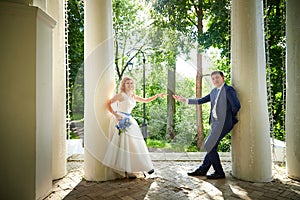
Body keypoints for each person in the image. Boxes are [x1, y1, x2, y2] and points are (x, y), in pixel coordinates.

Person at [173, 71, 241, 179]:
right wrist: (184, 100)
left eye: (217, 77)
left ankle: (219, 172)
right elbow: (200, 101)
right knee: (211, 146)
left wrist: (229, 118)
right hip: (215, 123)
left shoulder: (229, 90)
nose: (215, 80)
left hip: (223, 123)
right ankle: (203, 169)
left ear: (223, 78)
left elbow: (236, 106)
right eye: (213, 78)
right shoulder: (213, 91)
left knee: (209, 145)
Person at [103, 76, 167, 178]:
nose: (130, 85)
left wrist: (157, 95)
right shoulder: (121, 95)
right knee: (127, 144)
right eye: (127, 83)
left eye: (131, 83)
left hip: (130, 119)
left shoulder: (132, 96)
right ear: (123, 85)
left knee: (135, 143)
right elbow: (108, 104)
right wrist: (116, 115)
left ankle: (142, 166)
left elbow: (146, 100)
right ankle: (129, 169)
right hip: (123, 119)